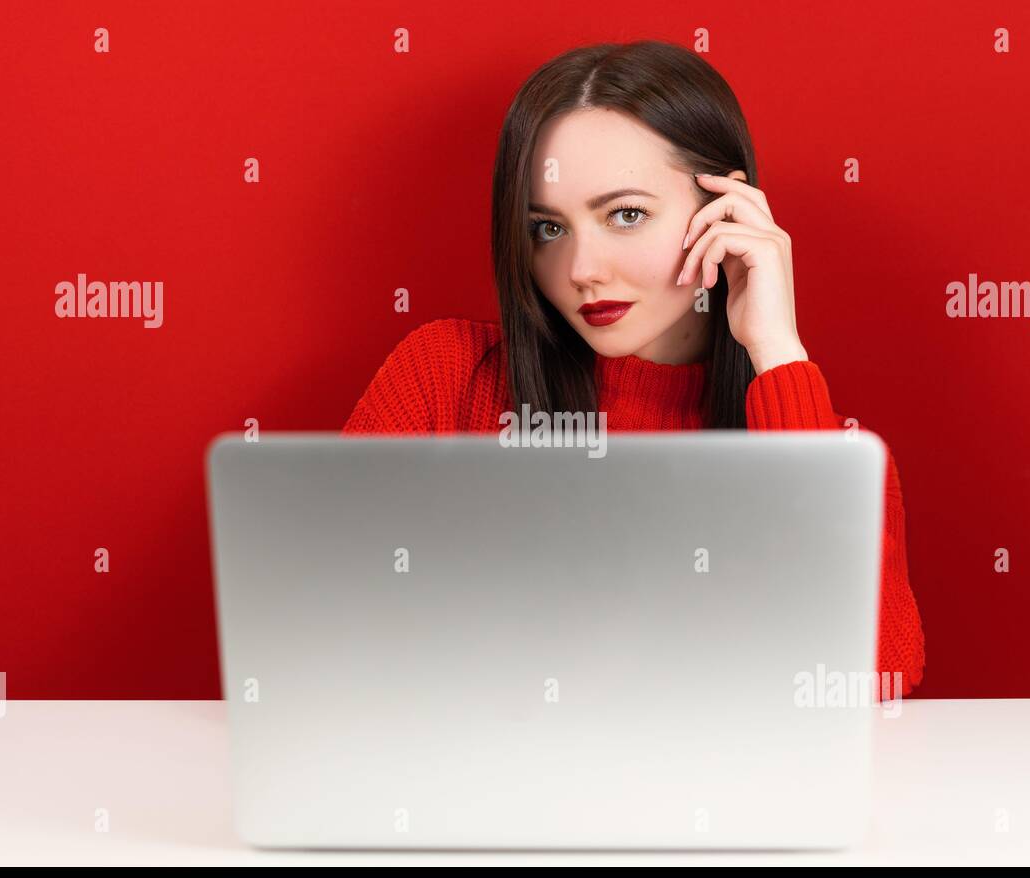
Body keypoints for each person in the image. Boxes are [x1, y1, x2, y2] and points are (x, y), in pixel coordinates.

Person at [343, 40, 925, 696]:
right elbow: (321, 630)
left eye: (626, 215)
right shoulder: (447, 375)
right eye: (548, 229)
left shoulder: (820, 444)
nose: (582, 270)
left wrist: (777, 352)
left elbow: (868, 676)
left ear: (725, 212)